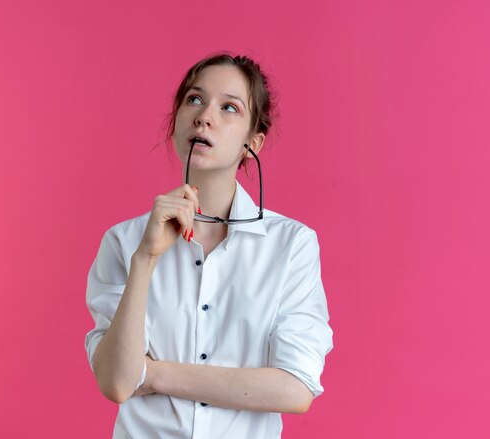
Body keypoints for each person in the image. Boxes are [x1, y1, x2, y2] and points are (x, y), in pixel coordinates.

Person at [84, 52, 334, 439]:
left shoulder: (291, 245)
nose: (204, 116)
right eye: (194, 99)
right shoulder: (125, 241)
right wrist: (145, 260)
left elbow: (295, 387)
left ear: (253, 142)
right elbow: (117, 382)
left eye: (229, 107)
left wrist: (154, 373)